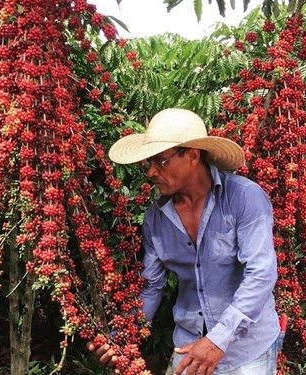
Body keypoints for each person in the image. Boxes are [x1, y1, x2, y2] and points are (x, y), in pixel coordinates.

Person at [88, 108, 283, 374]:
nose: (151, 172)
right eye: (149, 162)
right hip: (188, 344)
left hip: (245, 349)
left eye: (161, 161)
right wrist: (124, 335)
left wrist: (217, 339)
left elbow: (261, 274)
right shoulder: (156, 219)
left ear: (192, 155)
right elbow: (150, 287)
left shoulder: (244, 198)